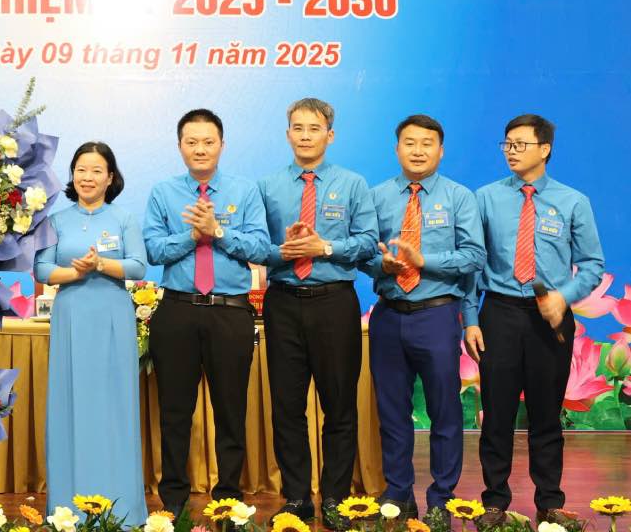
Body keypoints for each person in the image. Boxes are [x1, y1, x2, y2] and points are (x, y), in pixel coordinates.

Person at [463, 114, 604, 525]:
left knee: (546, 416)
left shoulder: (573, 201)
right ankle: (494, 501)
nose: (512, 151)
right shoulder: (485, 198)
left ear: (545, 149)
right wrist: (470, 317)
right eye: (507, 144)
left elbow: (593, 265)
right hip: (499, 313)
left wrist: (564, 297)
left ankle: (550, 503)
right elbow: (473, 262)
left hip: (551, 318)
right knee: (497, 414)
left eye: (521, 144)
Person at [257, 97, 378, 529]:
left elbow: (367, 243)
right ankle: (296, 498)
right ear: (287, 133)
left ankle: (334, 498)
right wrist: (283, 251)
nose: (305, 135)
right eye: (297, 127)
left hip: (334, 302)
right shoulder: (267, 186)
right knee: (287, 406)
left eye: (314, 128)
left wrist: (324, 247)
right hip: (283, 303)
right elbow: (255, 246)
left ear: (330, 134)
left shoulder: (352, 184)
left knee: (338, 406)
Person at [143, 109, 269, 516]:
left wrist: (217, 231)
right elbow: (154, 250)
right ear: (180, 145)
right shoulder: (163, 193)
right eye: (191, 142)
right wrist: (190, 235)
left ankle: (229, 496)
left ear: (222, 145)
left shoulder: (244, 191)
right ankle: (174, 499)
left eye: (208, 141)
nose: (200, 149)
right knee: (175, 410)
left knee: (230, 409)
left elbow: (260, 249)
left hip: (229, 313)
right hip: (177, 310)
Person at [361, 115, 485, 519]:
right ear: (396, 149)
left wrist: (423, 260)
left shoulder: (459, 197)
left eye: (427, 143)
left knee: (444, 410)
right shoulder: (375, 196)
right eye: (409, 142)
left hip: (436, 314)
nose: (418, 150)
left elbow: (473, 257)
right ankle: (398, 493)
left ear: (441, 150)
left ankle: (441, 497)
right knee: (392, 411)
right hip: (389, 315)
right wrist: (383, 266)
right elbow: (362, 254)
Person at [35, 142, 147, 521]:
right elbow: (41, 269)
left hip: (113, 315)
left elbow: (137, 267)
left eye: (97, 170)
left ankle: (124, 509)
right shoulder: (56, 220)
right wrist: (76, 273)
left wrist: (101, 264)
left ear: (110, 177)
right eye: (81, 169)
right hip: (71, 315)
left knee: (115, 406)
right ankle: (68, 509)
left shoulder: (123, 218)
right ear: (72, 174)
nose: (88, 177)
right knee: (72, 404)